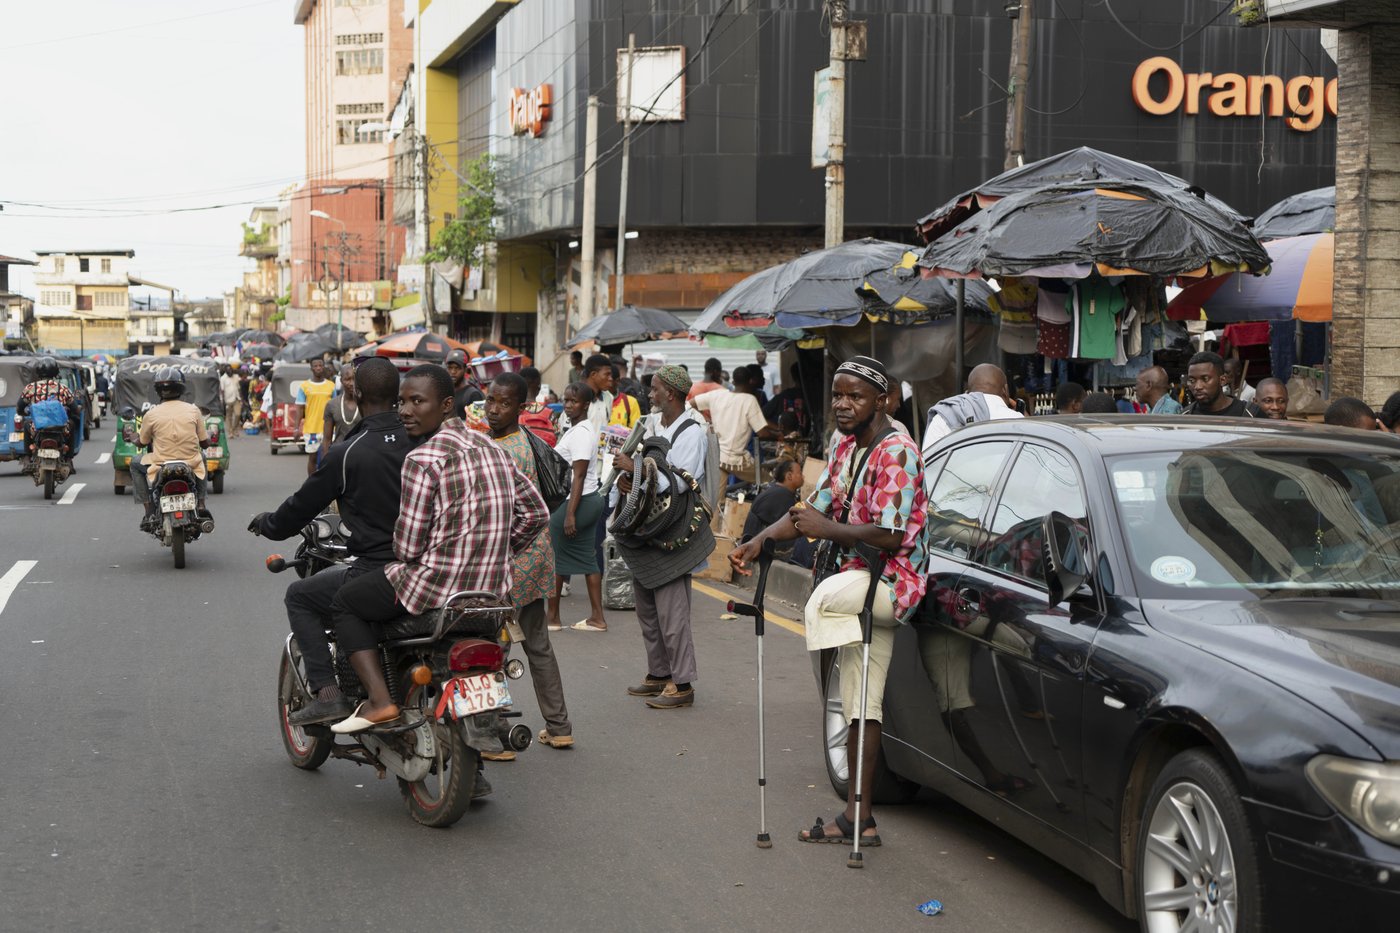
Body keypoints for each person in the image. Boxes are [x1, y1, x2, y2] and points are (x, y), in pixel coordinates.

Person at [730, 355, 927, 849]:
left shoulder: (897, 451)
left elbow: (889, 532)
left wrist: (828, 530)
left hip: (892, 582)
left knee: (822, 602)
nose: (842, 404)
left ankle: (830, 673)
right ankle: (860, 818)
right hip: (859, 577)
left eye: (855, 396)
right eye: (837, 394)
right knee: (865, 704)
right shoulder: (844, 446)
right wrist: (761, 541)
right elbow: (809, 510)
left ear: (881, 401)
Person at [328, 364, 549, 733]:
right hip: (491, 593)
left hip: (435, 589)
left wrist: (433, 544)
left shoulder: (422, 459)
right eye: (402, 402)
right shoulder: (493, 449)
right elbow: (536, 513)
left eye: (417, 401)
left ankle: (380, 701)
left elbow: (409, 548)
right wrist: (497, 553)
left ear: (446, 404)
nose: (405, 411)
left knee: (345, 602)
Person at [247, 358, 414, 725]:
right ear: (399, 394)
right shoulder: (423, 442)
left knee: (300, 595)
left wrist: (269, 525)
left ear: (356, 392)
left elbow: (302, 506)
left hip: (378, 569)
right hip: (428, 568)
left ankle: (328, 693)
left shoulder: (348, 452)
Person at [483, 372, 574, 752]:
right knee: (537, 644)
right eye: (490, 400)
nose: (493, 409)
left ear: (521, 408)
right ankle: (559, 726)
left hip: (508, 561)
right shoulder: (520, 442)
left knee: (491, 648)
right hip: (536, 558)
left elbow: (498, 515)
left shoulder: (505, 451)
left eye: (504, 404)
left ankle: (493, 734)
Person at [613, 364, 712, 710]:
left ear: (670, 392)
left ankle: (682, 683)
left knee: (672, 613)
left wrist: (634, 469)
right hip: (647, 528)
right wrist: (629, 480)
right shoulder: (654, 425)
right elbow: (648, 477)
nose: (650, 394)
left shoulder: (692, 433)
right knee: (648, 609)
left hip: (670, 529)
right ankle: (659, 673)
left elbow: (678, 483)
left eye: (654, 389)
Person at [549, 382, 608, 633]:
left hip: (579, 501)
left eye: (574, 401)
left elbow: (579, 476)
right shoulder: (575, 430)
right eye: (566, 400)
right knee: (587, 557)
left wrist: (570, 514)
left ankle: (552, 618)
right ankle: (597, 618)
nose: (568, 405)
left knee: (555, 557)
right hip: (586, 500)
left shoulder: (583, 433)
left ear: (586, 405)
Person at [129, 367, 211, 532]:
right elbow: (204, 444)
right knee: (202, 457)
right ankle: (201, 503)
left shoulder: (151, 415)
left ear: (158, 391)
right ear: (181, 388)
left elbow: (142, 443)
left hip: (160, 464)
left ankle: (149, 510)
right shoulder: (194, 410)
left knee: (134, 464)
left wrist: (133, 438)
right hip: (190, 462)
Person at [921, 363, 1023, 474]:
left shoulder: (943, 416)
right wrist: (1027, 417)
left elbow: (928, 468)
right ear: (1005, 390)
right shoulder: (1017, 421)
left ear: (967, 392)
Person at [691, 365, 780, 488]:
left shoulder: (717, 395)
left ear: (733, 381)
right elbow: (763, 433)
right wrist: (780, 436)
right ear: (750, 381)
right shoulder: (749, 400)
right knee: (769, 481)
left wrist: (705, 422)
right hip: (737, 460)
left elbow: (689, 405)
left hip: (717, 457)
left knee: (716, 501)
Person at [16, 356, 78, 473]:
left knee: (26, 425)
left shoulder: (30, 388)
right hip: (61, 429)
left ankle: (27, 458)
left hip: (37, 429)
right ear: (56, 372)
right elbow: (75, 409)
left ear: (38, 371)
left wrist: (22, 412)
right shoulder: (63, 388)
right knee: (72, 424)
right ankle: (69, 459)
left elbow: (20, 407)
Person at [741, 459, 803, 545]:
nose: (803, 476)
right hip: (758, 548)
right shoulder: (783, 496)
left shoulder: (775, 490)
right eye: (800, 473)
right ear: (789, 476)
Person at [296, 358, 336, 475]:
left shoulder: (331, 386)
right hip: (312, 429)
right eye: (315, 366)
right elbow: (299, 408)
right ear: (311, 368)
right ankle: (312, 484)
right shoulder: (304, 386)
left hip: (329, 429)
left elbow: (335, 407)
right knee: (312, 458)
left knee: (329, 458)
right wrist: (296, 428)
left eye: (320, 365)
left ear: (323, 367)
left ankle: (327, 483)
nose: (318, 368)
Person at [1182, 351, 1253, 417]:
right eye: (1192, 380)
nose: (1197, 387)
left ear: (1222, 380)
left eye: (1205, 379)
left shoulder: (1248, 413)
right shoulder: (1186, 416)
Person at [763, 363, 813, 440]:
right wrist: (778, 429)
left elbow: (760, 418)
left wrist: (778, 429)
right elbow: (760, 418)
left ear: (793, 377)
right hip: (807, 444)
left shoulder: (782, 396)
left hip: (787, 446)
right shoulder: (815, 397)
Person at [323, 363, 362, 447]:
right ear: (341, 381)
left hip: (360, 453)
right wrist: (326, 459)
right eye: (347, 379)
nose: (351, 383)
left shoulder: (365, 403)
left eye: (354, 379)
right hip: (338, 454)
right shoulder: (332, 405)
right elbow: (327, 439)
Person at [445, 349, 484, 420]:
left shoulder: (473, 394)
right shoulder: (446, 391)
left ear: (465, 369)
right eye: (450, 368)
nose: (453, 372)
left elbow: (478, 423)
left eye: (457, 368)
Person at [220, 365, 242, 436]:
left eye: (231, 370)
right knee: (229, 417)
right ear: (226, 371)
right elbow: (222, 391)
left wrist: (241, 398)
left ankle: (234, 429)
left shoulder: (236, 376)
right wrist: (223, 402)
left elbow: (238, 388)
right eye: (228, 371)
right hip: (228, 400)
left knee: (238, 414)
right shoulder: (223, 378)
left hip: (236, 398)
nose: (230, 372)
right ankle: (230, 432)